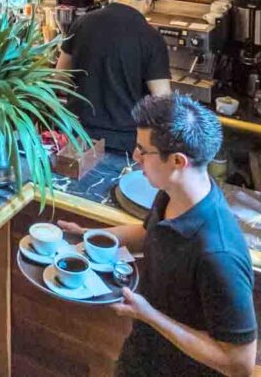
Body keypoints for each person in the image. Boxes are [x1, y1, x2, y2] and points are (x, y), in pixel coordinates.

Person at [60, 95, 257, 377]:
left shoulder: (219, 253)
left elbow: (239, 363)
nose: (136, 157)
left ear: (178, 161)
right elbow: (148, 233)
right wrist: (89, 236)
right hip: (143, 355)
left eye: (143, 150)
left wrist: (148, 314)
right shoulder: (172, 193)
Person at [57, 0, 171, 152]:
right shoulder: (151, 38)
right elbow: (163, 100)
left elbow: (59, 77)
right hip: (125, 141)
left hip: (79, 135)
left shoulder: (82, 23)